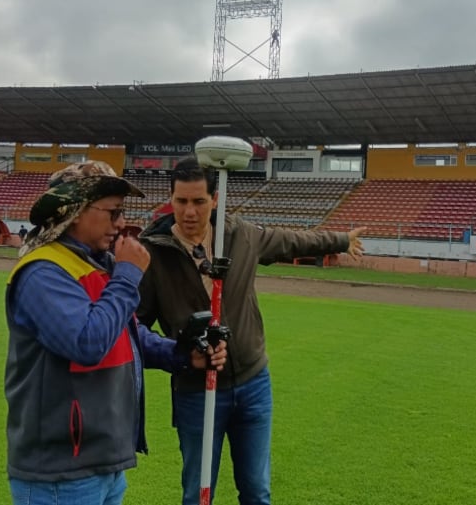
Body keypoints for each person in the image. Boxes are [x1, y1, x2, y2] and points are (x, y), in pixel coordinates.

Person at [137, 156, 365, 505]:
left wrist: (340, 240)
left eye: (199, 201)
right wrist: (181, 353)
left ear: (215, 199)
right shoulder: (152, 253)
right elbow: (136, 328)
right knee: (197, 495)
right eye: (180, 201)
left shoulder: (239, 235)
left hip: (253, 384)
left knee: (257, 492)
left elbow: (291, 241)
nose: (189, 211)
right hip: (195, 392)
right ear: (171, 198)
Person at [4, 161, 226, 505]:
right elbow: (88, 343)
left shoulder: (98, 263)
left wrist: (181, 354)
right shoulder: (43, 272)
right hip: (60, 472)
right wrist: (126, 276)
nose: (122, 224)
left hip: (101, 461)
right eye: (113, 212)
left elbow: (127, 333)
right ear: (74, 212)